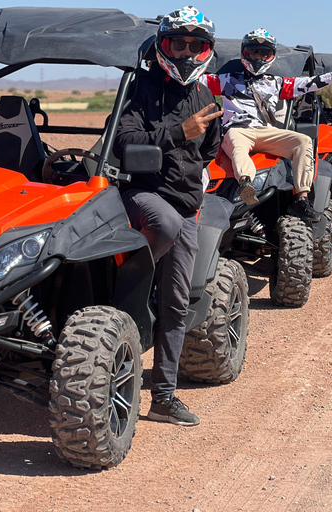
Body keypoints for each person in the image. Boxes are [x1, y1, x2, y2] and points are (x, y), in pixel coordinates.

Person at [113, 6, 222, 427]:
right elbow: (121, 140)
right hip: (140, 194)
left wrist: (193, 140)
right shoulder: (140, 86)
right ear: (164, 45)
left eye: (197, 46)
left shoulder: (206, 97)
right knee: (165, 225)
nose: (188, 53)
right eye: (180, 43)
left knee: (176, 304)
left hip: (185, 205)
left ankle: (163, 397)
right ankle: (127, 282)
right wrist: (178, 133)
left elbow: (210, 150)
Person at [201, 29, 332, 220]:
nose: (258, 57)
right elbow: (192, 79)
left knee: (304, 141)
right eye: (253, 51)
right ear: (244, 53)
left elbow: (312, 82)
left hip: (266, 132)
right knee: (236, 141)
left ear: (271, 56)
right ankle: (246, 185)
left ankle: (302, 198)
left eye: (264, 53)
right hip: (239, 130)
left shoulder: (276, 83)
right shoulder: (226, 80)